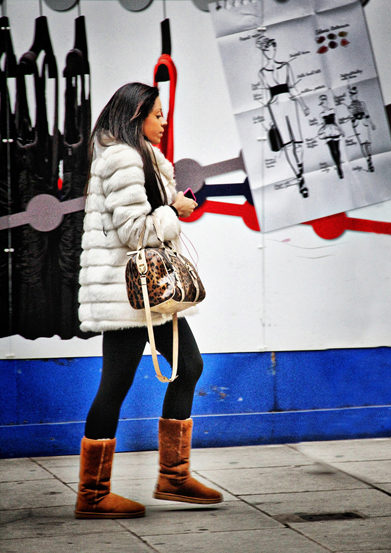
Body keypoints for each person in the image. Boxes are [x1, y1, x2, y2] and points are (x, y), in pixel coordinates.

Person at [75, 82, 222, 519]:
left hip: (149, 293)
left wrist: (169, 205)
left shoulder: (142, 156)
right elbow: (135, 231)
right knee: (114, 386)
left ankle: (173, 477)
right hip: (127, 296)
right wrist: (174, 211)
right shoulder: (122, 158)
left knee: (189, 366)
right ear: (136, 116)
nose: (164, 122)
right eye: (157, 114)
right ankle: (93, 494)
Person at [256, 35, 310, 197]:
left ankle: (300, 168)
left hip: (290, 104)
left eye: (270, 48)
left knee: (298, 143)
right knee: (287, 145)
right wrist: (268, 120)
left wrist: (303, 105)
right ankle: (300, 179)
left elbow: (293, 87)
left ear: (275, 47)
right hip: (275, 108)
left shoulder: (286, 66)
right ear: (263, 51)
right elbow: (266, 97)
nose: (268, 51)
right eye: (265, 50)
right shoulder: (262, 73)